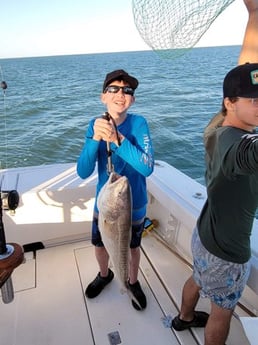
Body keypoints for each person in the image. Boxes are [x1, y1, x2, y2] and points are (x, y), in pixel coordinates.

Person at [171, 1, 258, 344]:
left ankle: (184, 317)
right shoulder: (238, 147)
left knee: (197, 278)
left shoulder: (218, 125)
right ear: (230, 102)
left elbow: (246, 70)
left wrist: (253, 15)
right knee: (222, 313)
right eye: (253, 100)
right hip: (227, 252)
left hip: (204, 235)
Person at [77, 69, 154, 310]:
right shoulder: (94, 124)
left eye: (127, 90)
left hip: (135, 204)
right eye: (114, 89)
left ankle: (132, 281)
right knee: (100, 245)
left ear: (133, 98)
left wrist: (118, 141)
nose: (121, 94)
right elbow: (83, 170)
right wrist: (95, 140)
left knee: (132, 248)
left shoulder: (139, 123)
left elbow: (147, 167)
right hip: (106, 203)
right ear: (103, 96)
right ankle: (104, 274)